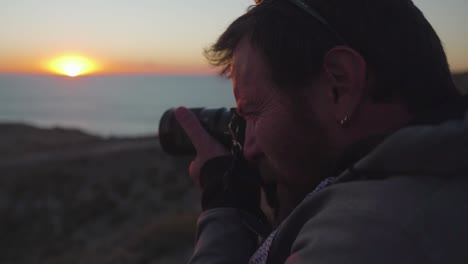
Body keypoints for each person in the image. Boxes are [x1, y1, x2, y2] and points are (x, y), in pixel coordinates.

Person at [175, 0, 468, 263]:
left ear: (339, 86)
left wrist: (223, 209)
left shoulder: (370, 236)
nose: (248, 148)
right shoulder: (435, 183)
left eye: (253, 113)